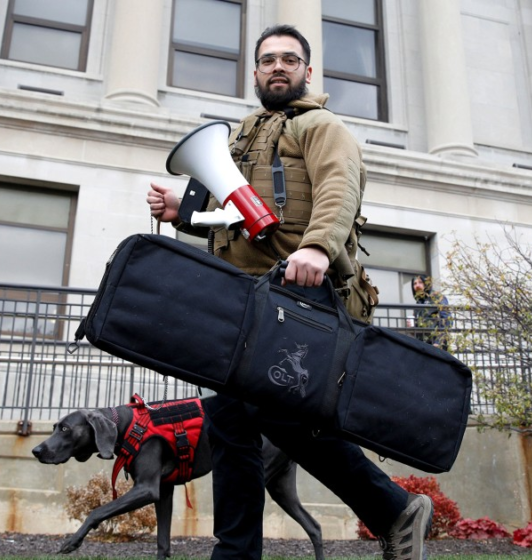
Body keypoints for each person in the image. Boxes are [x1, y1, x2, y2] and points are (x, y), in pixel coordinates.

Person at [147, 25, 432, 560]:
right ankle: (242, 552)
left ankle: (395, 510)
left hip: (301, 299)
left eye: (290, 59)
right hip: (244, 301)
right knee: (231, 421)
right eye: (268, 59)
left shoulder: (321, 126)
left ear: (307, 71)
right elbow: (242, 218)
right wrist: (183, 216)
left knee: (280, 419)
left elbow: (338, 188)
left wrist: (319, 249)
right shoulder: (245, 135)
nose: (278, 66)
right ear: (255, 72)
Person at [410, 274, 451, 351]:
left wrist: (438, 342)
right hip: (423, 345)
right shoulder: (418, 304)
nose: (417, 286)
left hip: (436, 344)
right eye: (414, 284)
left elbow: (446, 320)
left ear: (426, 284)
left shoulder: (437, 297)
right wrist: (412, 329)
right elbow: (418, 328)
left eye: (420, 282)